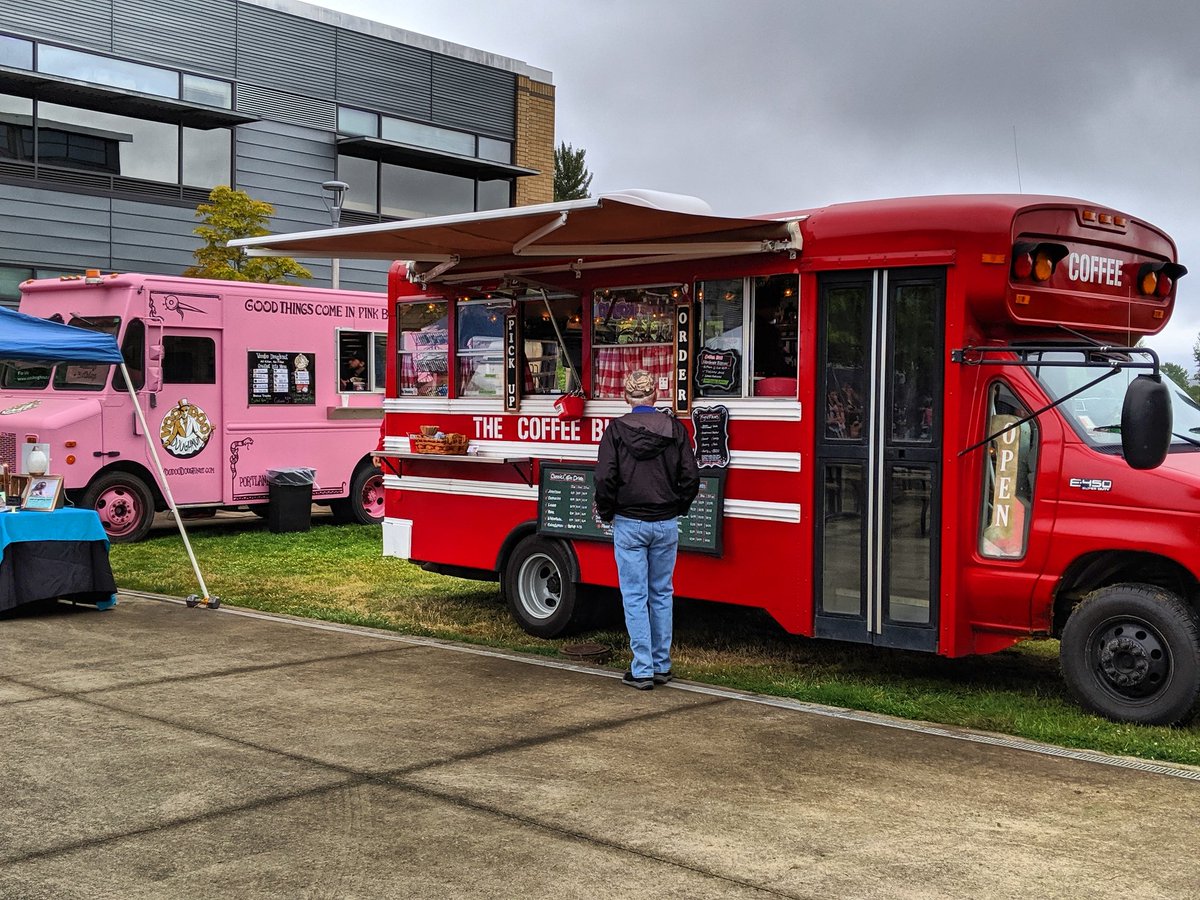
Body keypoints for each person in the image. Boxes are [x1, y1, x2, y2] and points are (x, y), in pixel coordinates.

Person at [594, 369, 700, 690]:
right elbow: (691, 477)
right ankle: (661, 665)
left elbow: (604, 478)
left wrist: (608, 511)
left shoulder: (615, 431)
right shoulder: (675, 429)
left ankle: (642, 668)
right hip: (665, 522)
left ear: (626, 398)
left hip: (629, 522)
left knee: (635, 595)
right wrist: (678, 507)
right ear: (655, 396)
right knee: (662, 593)